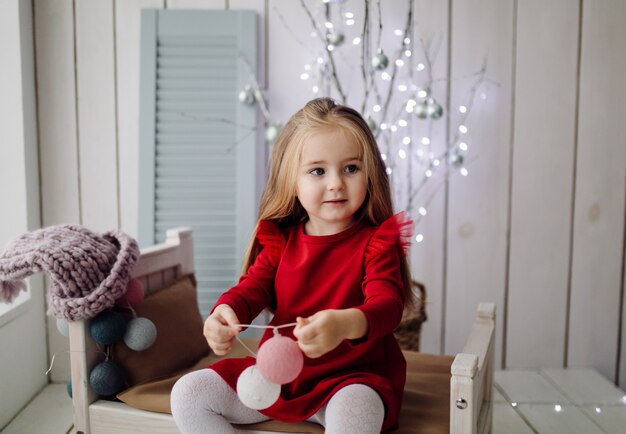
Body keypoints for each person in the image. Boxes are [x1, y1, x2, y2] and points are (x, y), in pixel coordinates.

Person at [171, 97, 413, 433]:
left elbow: (388, 307)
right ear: (292, 181)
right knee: (189, 393)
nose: (335, 183)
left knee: (358, 413)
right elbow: (251, 288)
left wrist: (344, 324)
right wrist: (224, 312)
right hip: (280, 377)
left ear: (369, 174)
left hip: (351, 379)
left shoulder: (376, 243)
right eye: (318, 170)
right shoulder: (280, 242)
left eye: (351, 168)